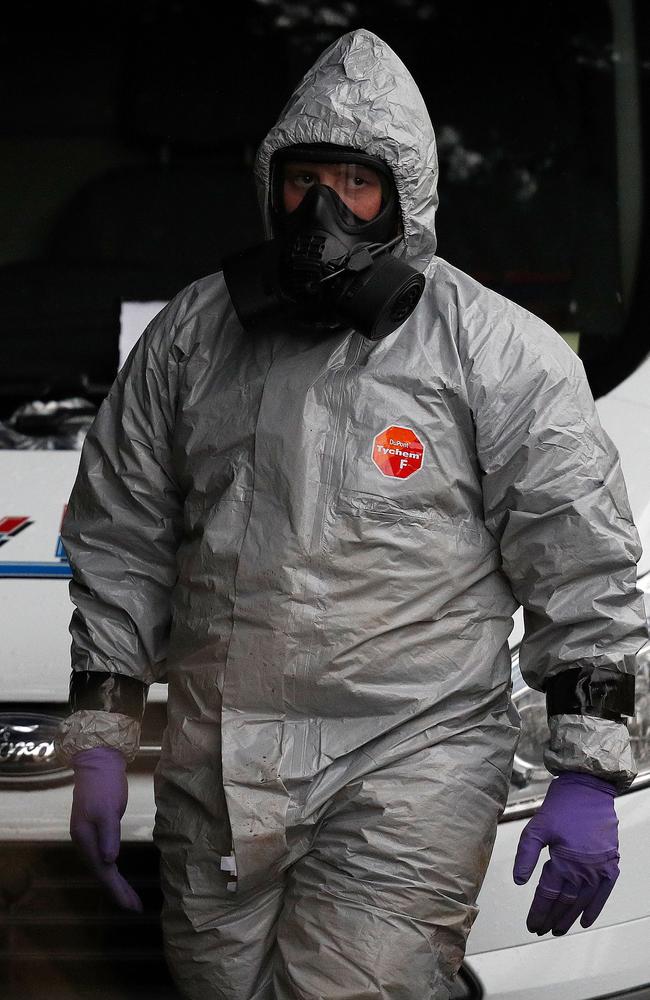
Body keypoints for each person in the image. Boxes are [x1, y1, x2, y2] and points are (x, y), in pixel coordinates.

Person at [55, 28, 647, 1000]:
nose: (323, 208)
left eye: (356, 182)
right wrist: (100, 740)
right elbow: (121, 540)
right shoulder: (190, 341)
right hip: (216, 769)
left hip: (408, 765)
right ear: (268, 183)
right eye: (303, 179)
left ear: (402, 193)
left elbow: (578, 564)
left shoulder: (498, 357)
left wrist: (585, 771)